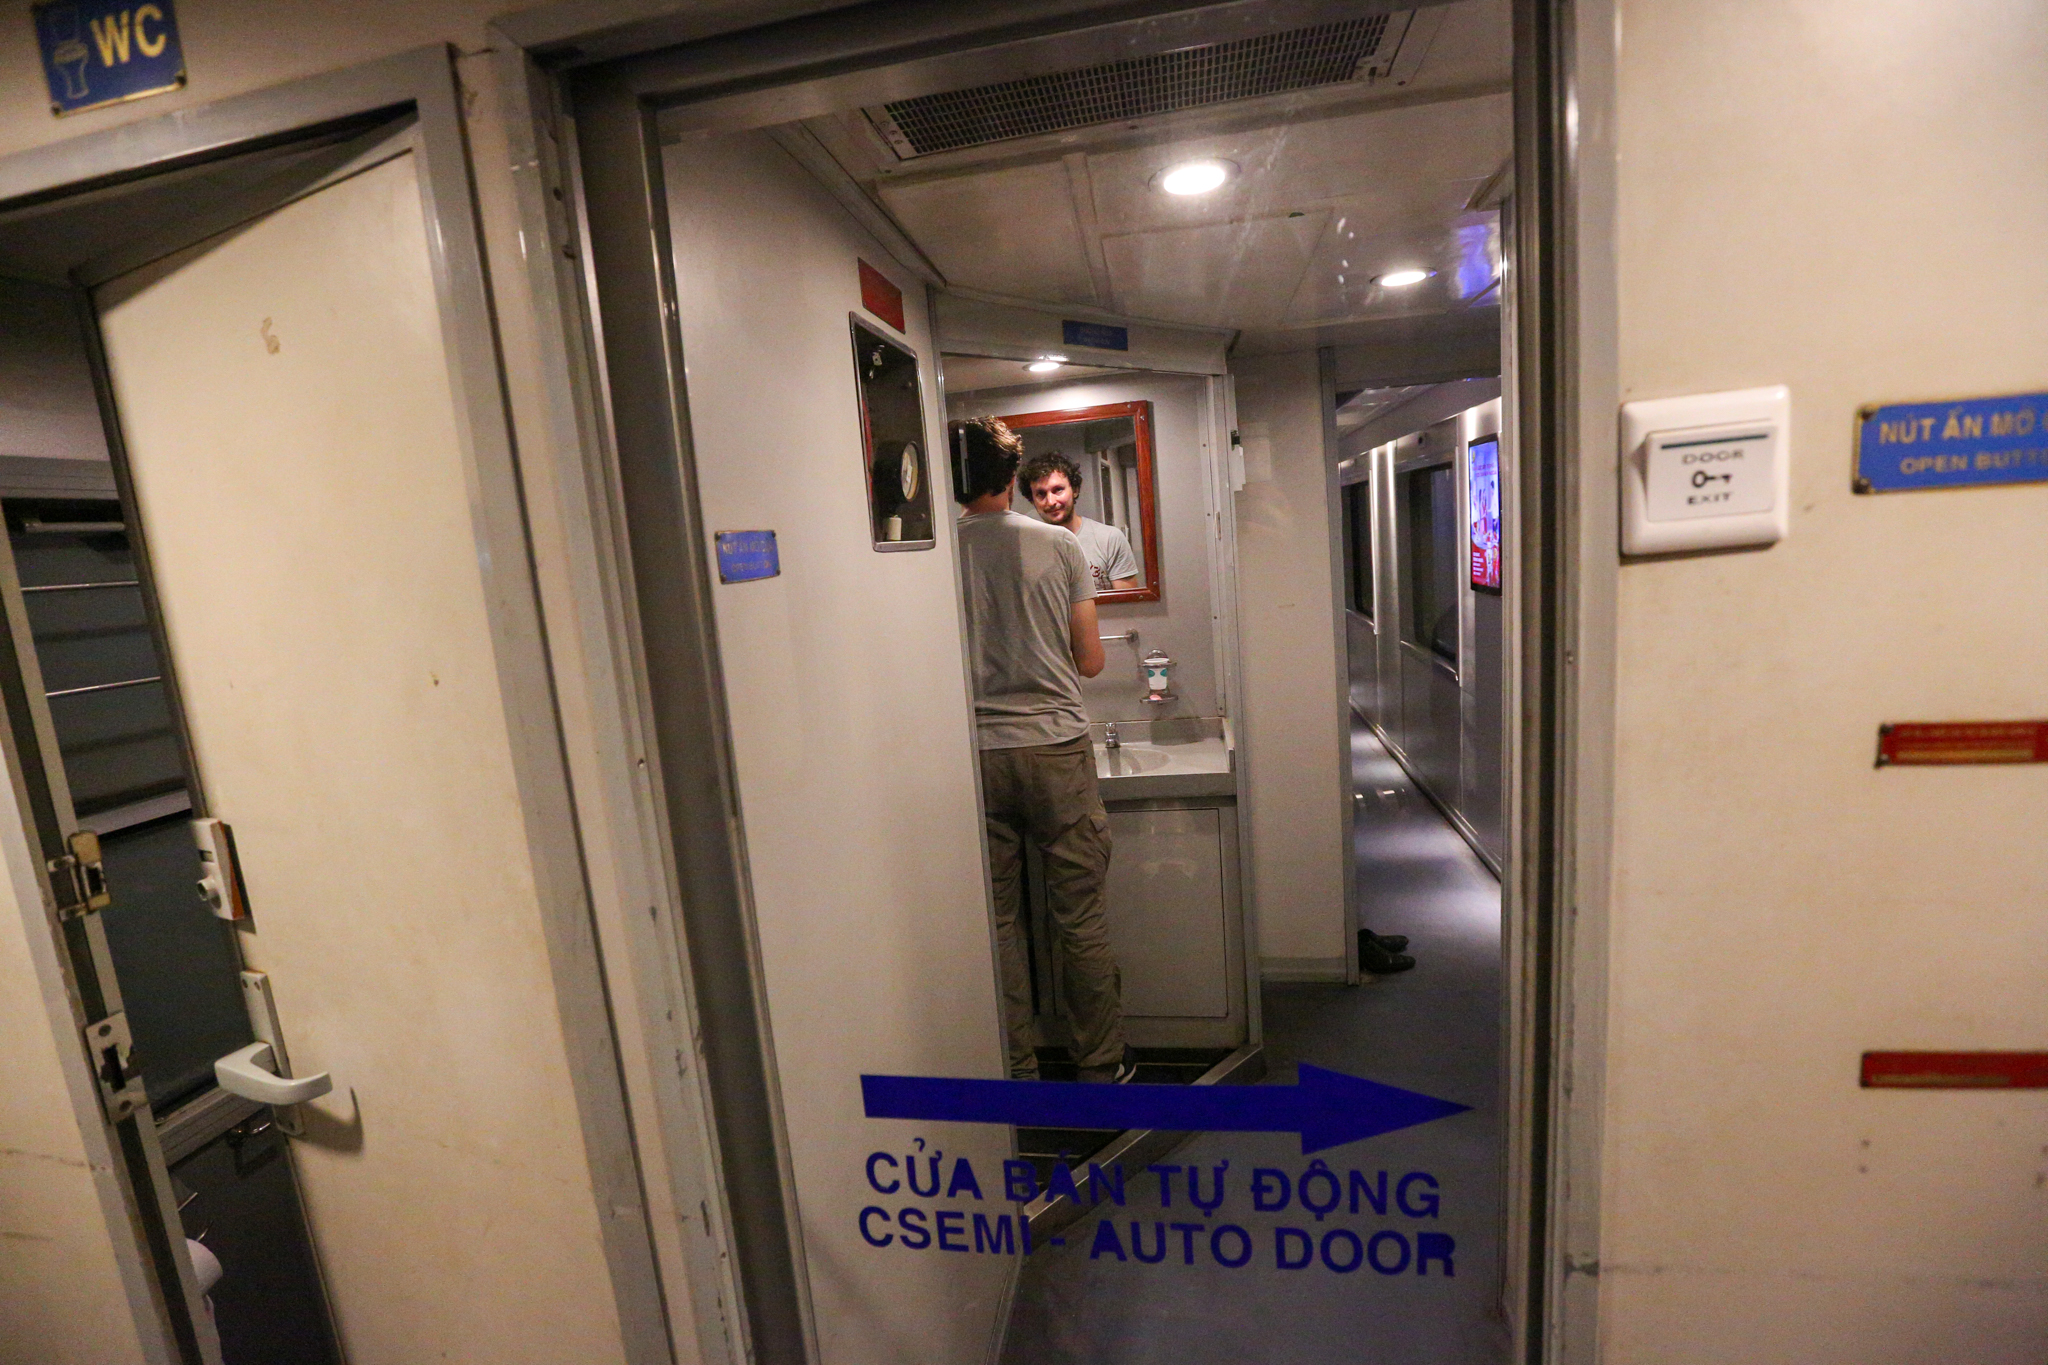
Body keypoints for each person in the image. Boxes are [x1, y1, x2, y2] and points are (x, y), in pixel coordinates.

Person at [954, 416, 1135, 1084]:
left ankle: (1016, 1069)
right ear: (1014, 477)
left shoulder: (934, 554)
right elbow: (1090, 660)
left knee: (997, 920)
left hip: (976, 751)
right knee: (1079, 916)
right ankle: (1100, 1066)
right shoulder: (1060, 546)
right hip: (1055, 744)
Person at [1018, 451, 1141, 593]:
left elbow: (1127, 603)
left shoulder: (1110, 539)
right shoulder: (1024, 546)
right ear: (1032, 499)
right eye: (1041, 494)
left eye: (1058, 490)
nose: (1051, 502)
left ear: (1075, 490)